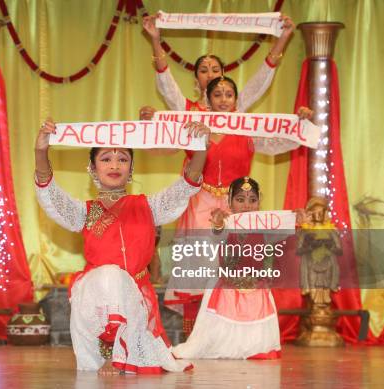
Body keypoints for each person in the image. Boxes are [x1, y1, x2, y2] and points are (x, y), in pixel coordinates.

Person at [34, 118, 208, 374]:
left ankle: (127, 348)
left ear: (132, 168)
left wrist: (200, 147)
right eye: (105, 159)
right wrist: (41, 151)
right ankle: (107, 352)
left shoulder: (149, 207)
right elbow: (49, 192)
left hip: (137, 300)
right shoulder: (84, 212)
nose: (114, 165)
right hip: (95, 298)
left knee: (146, 360)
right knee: (109, 274)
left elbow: (186, 186)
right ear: (92, 168)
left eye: (123, 159)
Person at [163, 76, 312, 333]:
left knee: (238, 268)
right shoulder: (194, 127)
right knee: (199, 271)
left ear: (236, 99)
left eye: (229, 94)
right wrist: (149, 121)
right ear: (207, 100)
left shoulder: (247, 129)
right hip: (201, 205)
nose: (223, 99)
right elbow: (161, 145)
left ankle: (230, 329)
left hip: (240, 208)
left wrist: (301, 124)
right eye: (218, 94)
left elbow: (282, 142)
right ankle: (194, 334)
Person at [172, 176, 297, 360]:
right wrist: (217, 224)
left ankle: (254, 349)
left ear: (259, 203)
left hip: (256, 288)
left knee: (259, 343)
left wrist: (296, 220)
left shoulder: (265, 226)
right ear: (229, 202)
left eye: (252, 200)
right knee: (220, 340)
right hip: (227, 288)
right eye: (240, 200)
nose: (247, 205)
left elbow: (285, 231)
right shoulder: (225, 224)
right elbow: (217, 235)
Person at [140, 13, 295, 115]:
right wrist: (155, 38)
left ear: (223, 77)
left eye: (215, 70)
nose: (210, 75)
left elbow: (262, 77)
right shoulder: (186, 110)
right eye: (203, 70)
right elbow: (166, 82)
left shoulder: (236, 107)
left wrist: (283, 37)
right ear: (196, 80)